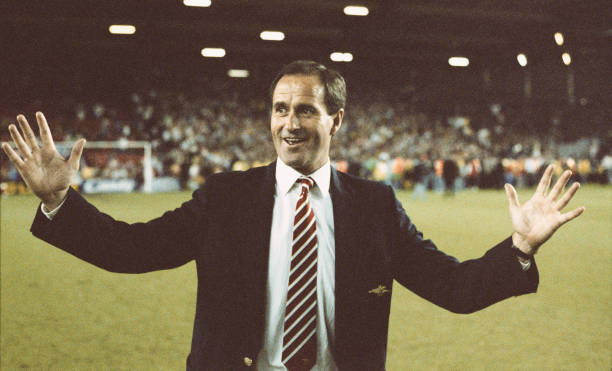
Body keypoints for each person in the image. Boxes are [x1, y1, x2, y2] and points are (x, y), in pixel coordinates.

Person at [2, 60, 584, 371]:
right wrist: (59, 201)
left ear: (337, 121)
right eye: (280, 109)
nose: (289, 123)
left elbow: (452, 286)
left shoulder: (375, 207)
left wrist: (520, 248)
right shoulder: (224, 197)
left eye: (306, 109)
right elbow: (132, 250)